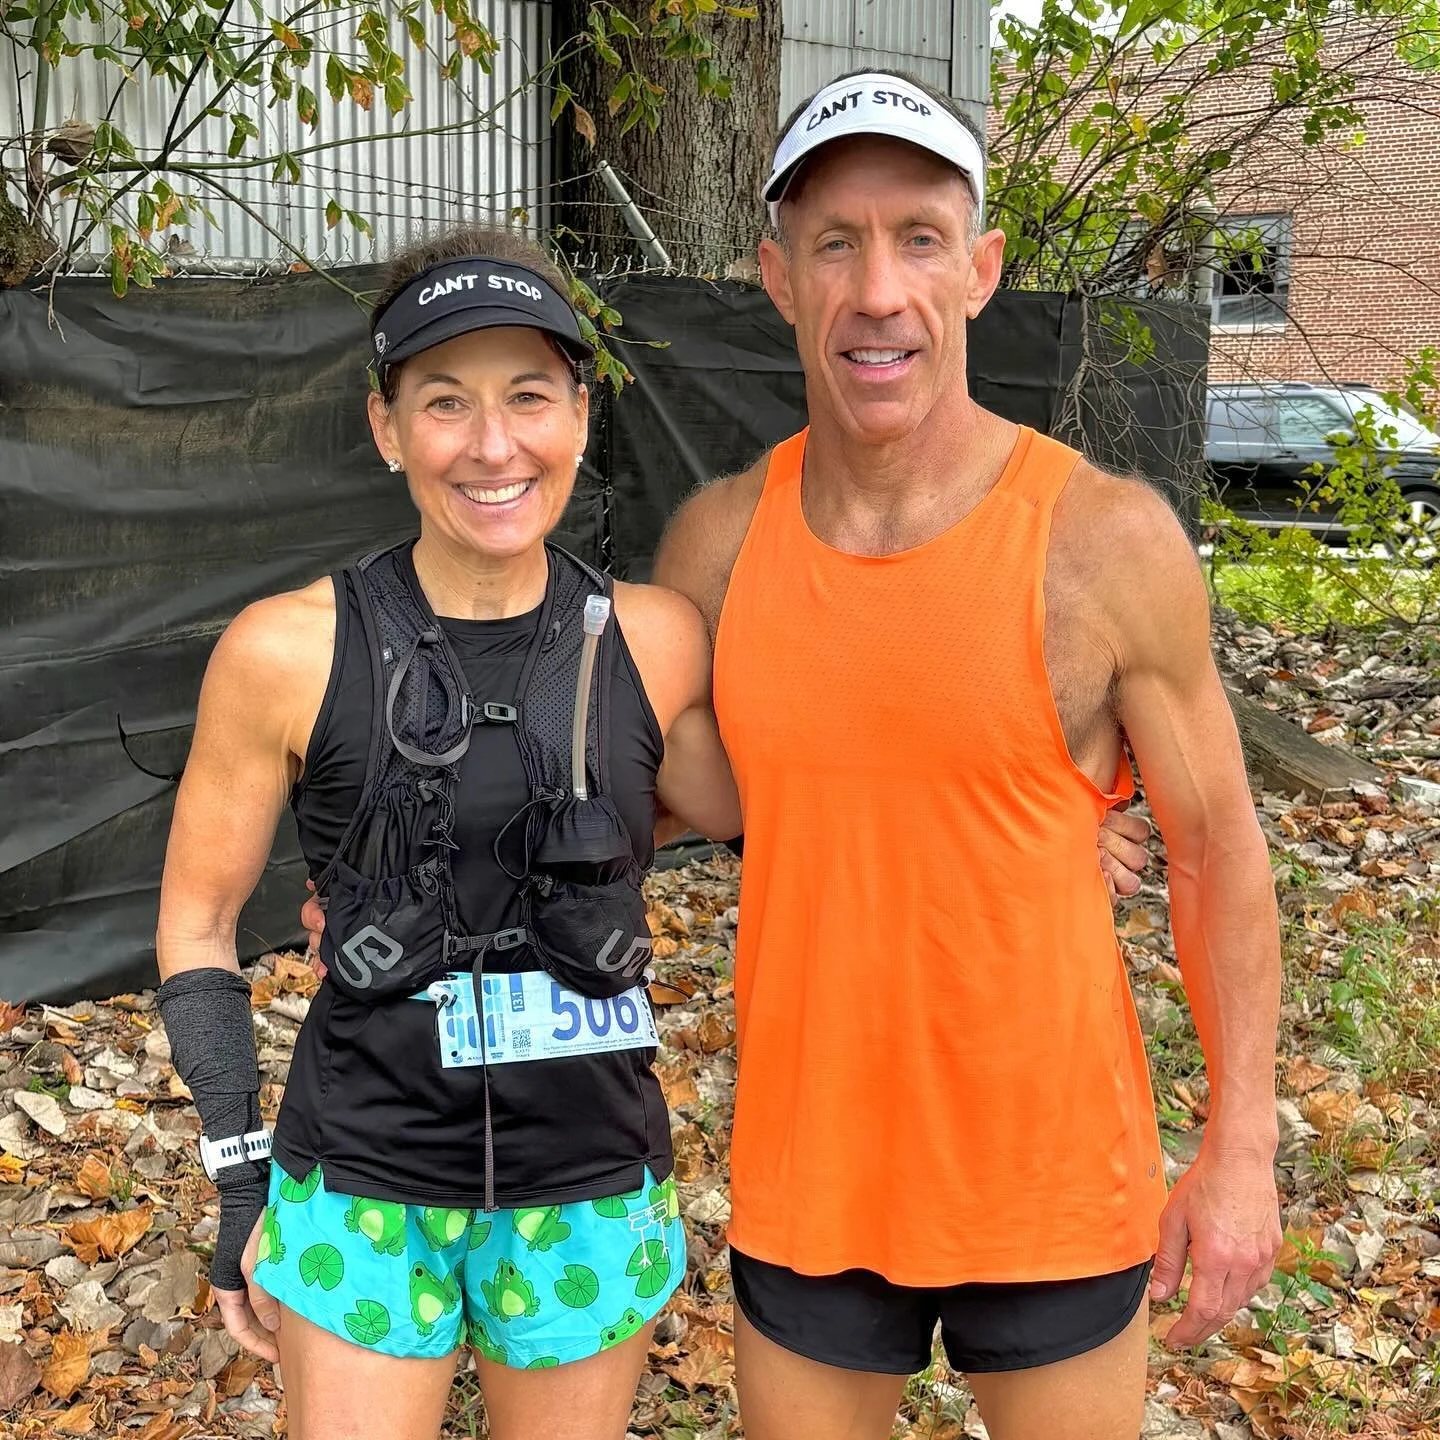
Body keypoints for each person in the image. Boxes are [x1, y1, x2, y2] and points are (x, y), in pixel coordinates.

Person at [649, 71, 1283, 1440]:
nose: (880, 291)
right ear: (778, 276)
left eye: (921, 237)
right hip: (811, 1177)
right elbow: (623, 795)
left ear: (982, 268)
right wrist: (410, 888)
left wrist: (1243, 1149)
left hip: (1048, 1179)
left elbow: (1220, 848)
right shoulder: (715, 546)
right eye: (837, 241)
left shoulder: (1103, 543)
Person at [155, 224, 743, 1440]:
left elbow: (762, 812)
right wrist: (235, 1170)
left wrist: (1074, 811)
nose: (492, 444)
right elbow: (197, 920)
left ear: (580, 412)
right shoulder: (283, 650)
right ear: (386, 428)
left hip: (588, 1176)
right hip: (363, 1172)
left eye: (530, 394)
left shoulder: (659, 638)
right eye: (443, 403)